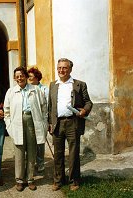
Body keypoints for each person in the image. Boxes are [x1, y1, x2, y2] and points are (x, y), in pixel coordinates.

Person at [48, 58, 93, 191]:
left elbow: (88, 102)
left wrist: (84, 110)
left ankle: (74, 181)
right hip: (57, 123)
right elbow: (50, 107)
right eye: (59, 68)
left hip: (73, 123)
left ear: (70, 69)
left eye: (64, 68)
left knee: (73, 153)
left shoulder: (79, 84)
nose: (61, 70)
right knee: (58, 153)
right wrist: (49, 123)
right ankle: (58, 180)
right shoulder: (53, 85)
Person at [4, 66, 48, 191]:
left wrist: (44, 123)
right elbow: (6, 111)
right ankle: (19, 180)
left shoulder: (35, 90)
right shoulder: (11, 92)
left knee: (32, 151)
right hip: (17, 123)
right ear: (14, 78)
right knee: (19, 151)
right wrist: (9, 126)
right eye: (17, 76)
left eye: (21, 75)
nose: (19, 78)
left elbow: (44, 108)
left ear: (26, 77)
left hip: (32, 121)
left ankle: (30, 179)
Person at [27, 67, 49, 173]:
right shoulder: (27, 89)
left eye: (30, 76)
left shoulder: (44, 89)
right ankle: (31, 162)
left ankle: (40, 163)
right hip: (29, 119)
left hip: (40, 119)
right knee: (30, 142)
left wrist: (47, 121)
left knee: (40, 143)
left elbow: (48, 106)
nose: (28, 78)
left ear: (36, 77)